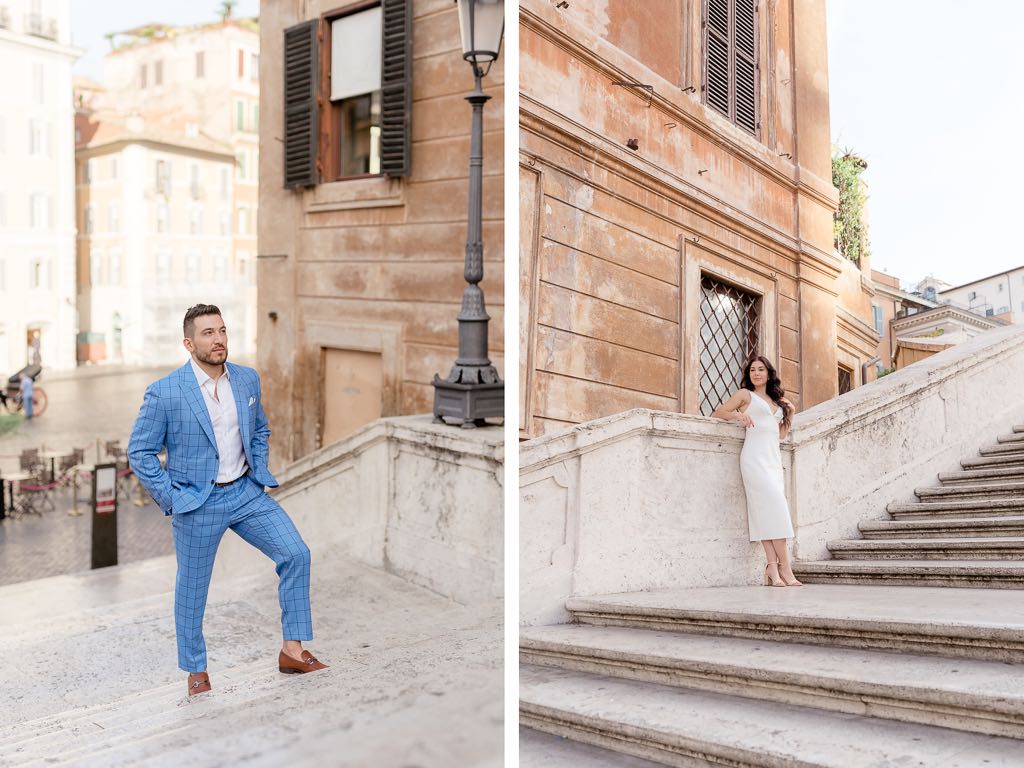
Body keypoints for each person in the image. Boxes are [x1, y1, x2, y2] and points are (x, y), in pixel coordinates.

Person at [128, 304, 327, 697]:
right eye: (207, 333)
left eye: (221, 330)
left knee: (296, 554)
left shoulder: (247, 380)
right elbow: (140, 453)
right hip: (197, 503)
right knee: (193, 590)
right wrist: (173, 497)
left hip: (246, 493)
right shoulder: (166, 392)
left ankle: (292, 649)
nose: (218, 339)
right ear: (189, 343)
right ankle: (196, 670)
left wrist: (258, 470)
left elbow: (261, 429)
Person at [712, 355, 801, 587]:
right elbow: (718, 412)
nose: (756, 373)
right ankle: (786, 570)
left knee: (766, 514)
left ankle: (772, 569)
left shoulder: (777, 401)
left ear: (768, 373)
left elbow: (780, 435)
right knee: (777, 511)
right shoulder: (745, 395)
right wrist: (738, 415)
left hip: (772, 460)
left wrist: (789, 414)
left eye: (761, 369)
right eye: (753, 370)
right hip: (753, 459)